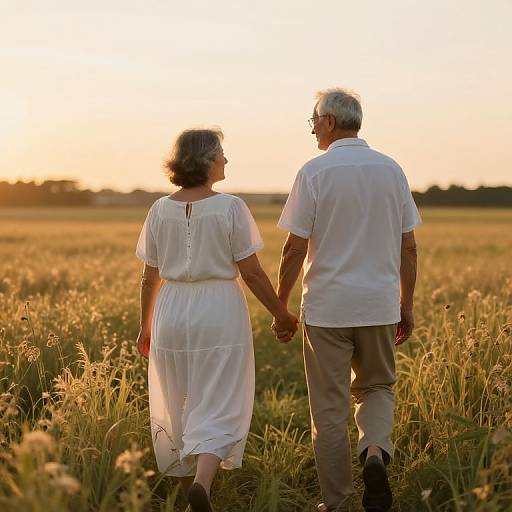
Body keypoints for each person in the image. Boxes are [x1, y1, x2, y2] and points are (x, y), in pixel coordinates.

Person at [273, 88, 421, 512]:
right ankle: (374, 451)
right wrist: (405, 304)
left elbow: (293, 249)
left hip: (326, 309)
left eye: (313, 120)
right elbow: (408, 247)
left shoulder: (314, 172)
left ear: (330, 122)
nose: (312, 128)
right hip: (378, 306)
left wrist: (282, 308)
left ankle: (337, 503)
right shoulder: (392, 170)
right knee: (376, 387)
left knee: (329, 409)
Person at [135, 128, 298, 512]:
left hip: (170, 309)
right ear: (206, 160)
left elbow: (148, 276)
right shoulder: (230, 207)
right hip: (219, 308)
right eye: (221, 154)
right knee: (220, 397)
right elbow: (253, 272)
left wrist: (146, 326)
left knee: (180, 395)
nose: (226, 160)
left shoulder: (159, 209)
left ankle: (191, 479)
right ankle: (202, 484)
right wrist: (282, 314)